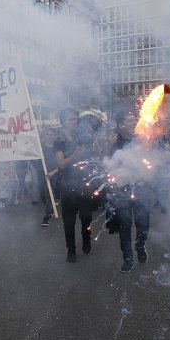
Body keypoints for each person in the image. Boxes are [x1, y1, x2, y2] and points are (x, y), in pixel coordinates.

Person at [107, 111, 155, 273]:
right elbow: (104, 161)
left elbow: (154, 157)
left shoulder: (142, 138)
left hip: (141, 186)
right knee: (124, 225)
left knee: (143, 223)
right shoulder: (114, 140)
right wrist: (107, 145)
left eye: (134, 119)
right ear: (121, 123)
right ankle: (128, 257)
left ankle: (140, 246)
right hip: (122, 189)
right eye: (129, 120)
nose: (133, 122)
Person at [53, 108, 101, 262]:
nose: (73, 122)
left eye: (75, 119)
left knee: (86, 217)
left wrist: (95, 140)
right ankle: (71, 250)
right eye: (70, 120)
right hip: (67, 185)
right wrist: (75, 155)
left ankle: (86, 239)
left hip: (84, 184)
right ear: (63, 123)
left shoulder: (83, 136)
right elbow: (61, 165)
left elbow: (97, 153)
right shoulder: (59, 140)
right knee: (69, 221)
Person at [38, 127, 59, 226]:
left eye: (52, 135)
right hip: (42, 173)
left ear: (55, 136)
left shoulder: (57, 147)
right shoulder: (41, 146)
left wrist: (52, 173)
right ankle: (50, 207)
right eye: (48, 134)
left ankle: (47, 216)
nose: (50, 136)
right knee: (42, 193)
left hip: (53, 174)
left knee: (50, 194)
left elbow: (61, 164)